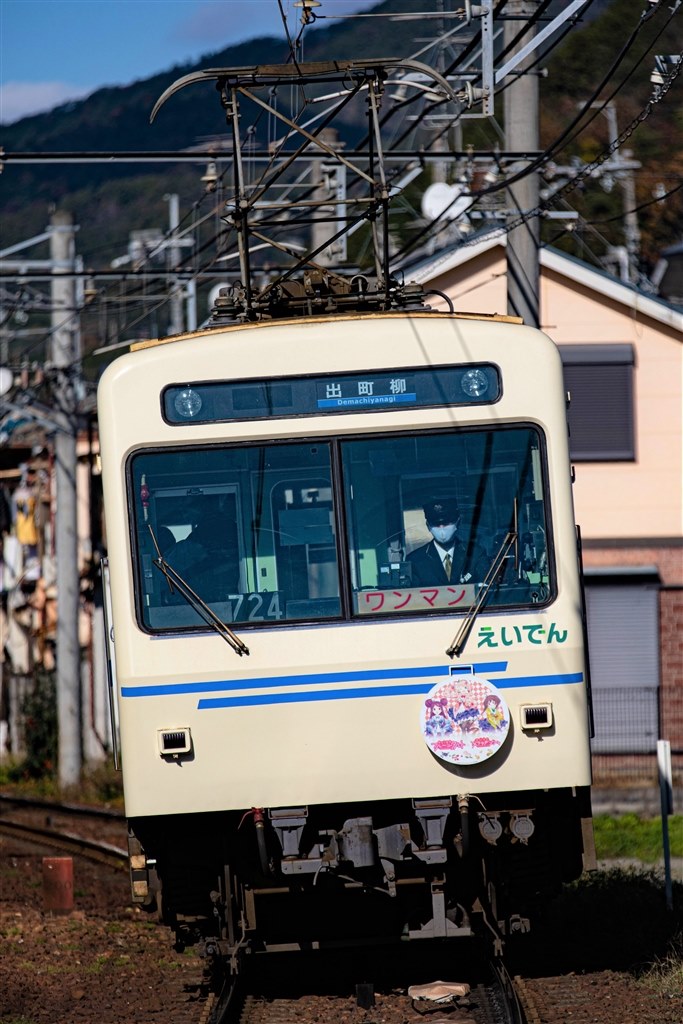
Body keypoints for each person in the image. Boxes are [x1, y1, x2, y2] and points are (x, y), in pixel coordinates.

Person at [407, 497, 487, 587]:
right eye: (436, 524)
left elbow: (484, 586)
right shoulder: (415, 560)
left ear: (458, 522)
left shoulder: (475, 554)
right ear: (428, 526)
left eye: (447, 523)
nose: (442, 528)